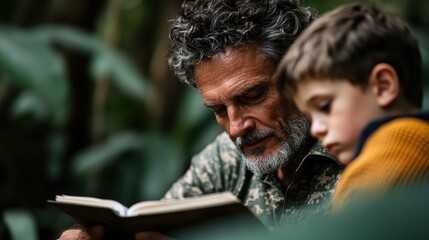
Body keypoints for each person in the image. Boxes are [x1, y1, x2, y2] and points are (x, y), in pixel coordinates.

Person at [59, 0, 342, 239]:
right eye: (219, 110)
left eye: (252, 96)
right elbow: (152, 229)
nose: (236, 127)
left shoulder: (363, 150)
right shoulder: (225, 159)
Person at [276, 2, 429, 210]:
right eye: (310, 116)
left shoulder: (398, 147)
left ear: (383, 86)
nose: (316, 129)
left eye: (324, 106)